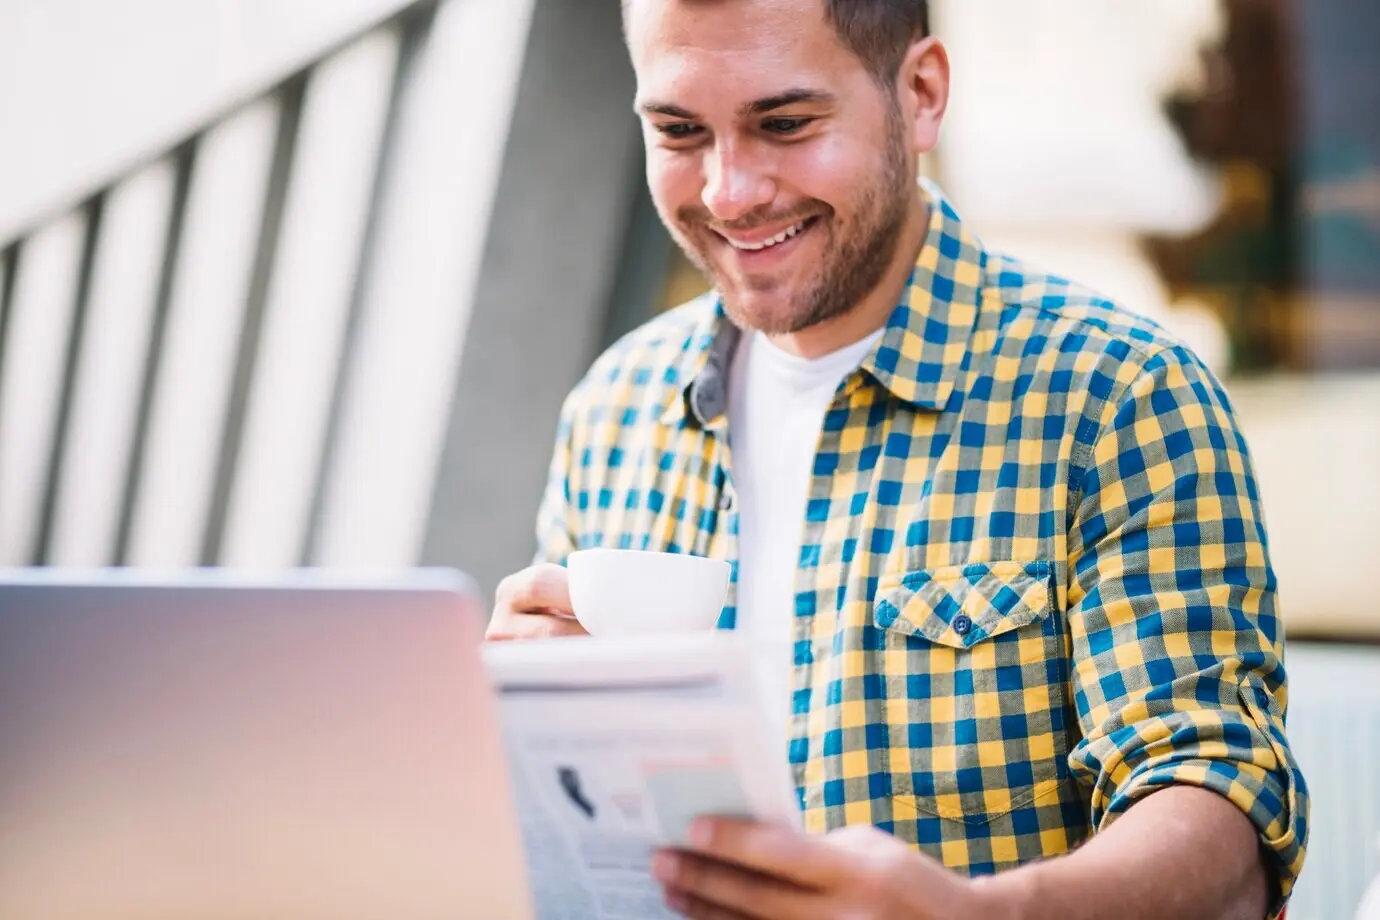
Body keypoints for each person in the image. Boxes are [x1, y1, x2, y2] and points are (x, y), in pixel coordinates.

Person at [486, 1, 1309, 917]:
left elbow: (1223, 826)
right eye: (680, 132)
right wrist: (514, 722)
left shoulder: (1117, 396)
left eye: (785, 124)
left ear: (920, 94)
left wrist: (976, 916)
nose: (729, 191)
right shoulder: (614, 409)